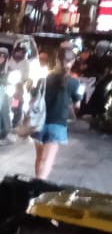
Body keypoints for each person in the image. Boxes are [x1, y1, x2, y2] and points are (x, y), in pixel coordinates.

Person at [33, 50, 83, 181]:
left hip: (39, 122)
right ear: (72, 62)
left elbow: (33, 97)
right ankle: (39, 186)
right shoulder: (74, 83)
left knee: (40, 158)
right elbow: (77, 105)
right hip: (57, 124)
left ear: (56, 61)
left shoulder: (43, 79)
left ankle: (37, 182)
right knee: (48, 160)